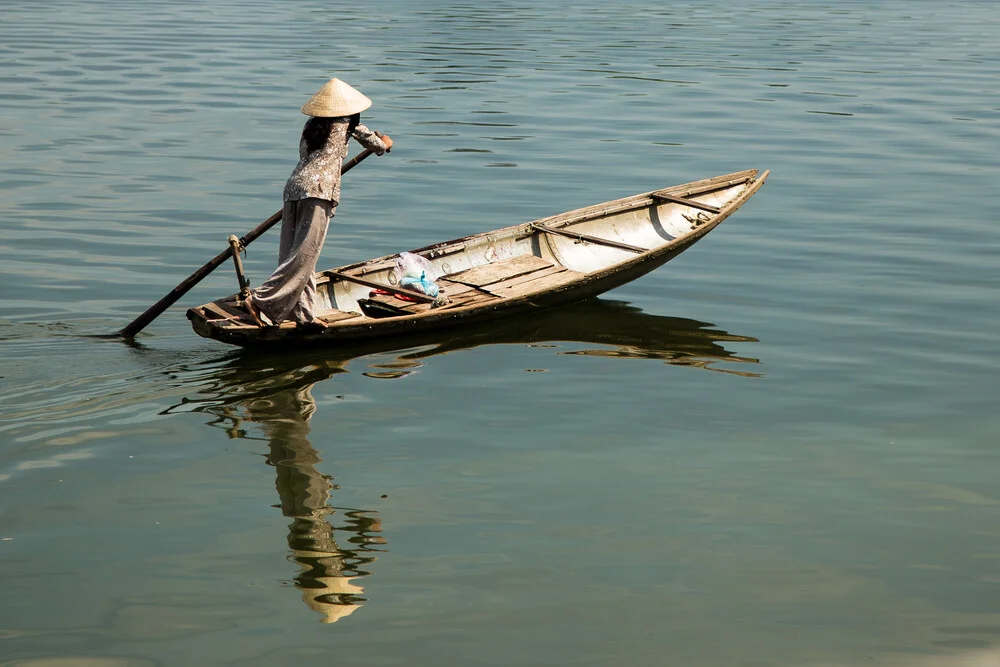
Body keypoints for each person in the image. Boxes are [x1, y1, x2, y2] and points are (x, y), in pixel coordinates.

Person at [244, 78, 392, 327]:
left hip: (294, 187)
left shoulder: (311, 126)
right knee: (304, 254)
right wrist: (386, 143)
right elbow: (376, 144)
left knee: (298, 253)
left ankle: (304, 315)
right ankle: (260, 300)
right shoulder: (346, 123)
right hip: (318, 190)